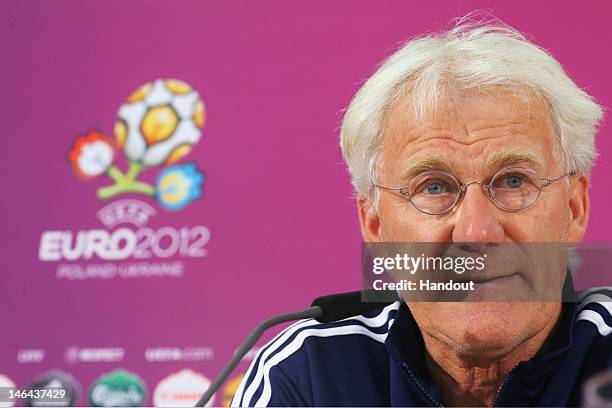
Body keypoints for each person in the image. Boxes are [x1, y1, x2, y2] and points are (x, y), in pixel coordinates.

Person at [232, 18, 610, 407]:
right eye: (433, 187)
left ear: (573, 206)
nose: (476, 232)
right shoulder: (308, 375)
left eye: (513, 181)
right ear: (375, 225)